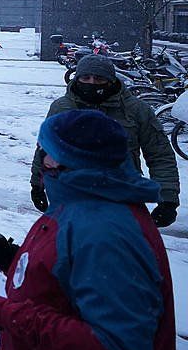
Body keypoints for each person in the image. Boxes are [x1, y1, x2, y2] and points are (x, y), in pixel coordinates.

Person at [0, 110, 174, 350]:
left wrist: (3, 313)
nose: (42, 159)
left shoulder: (108, 233)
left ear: (73, 162)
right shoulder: (81, 201)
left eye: (49, 153)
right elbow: (70, 277)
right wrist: (16, 260)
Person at [30, 54, 179, 226]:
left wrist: (167, 199)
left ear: (110, 81)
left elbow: (159, 154)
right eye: (86, 77)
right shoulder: (62, 108)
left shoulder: (136, 110)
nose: (91, 83)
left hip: (122, 198)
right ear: (77, 78)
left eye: (99, 79)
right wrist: (38, 183)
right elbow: (46, 150)